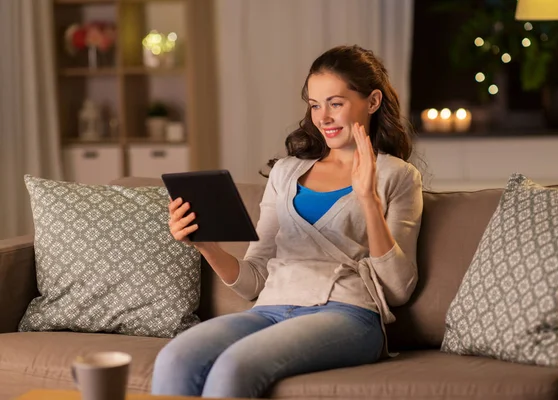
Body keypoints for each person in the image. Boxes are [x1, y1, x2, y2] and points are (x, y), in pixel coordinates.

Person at [151, 44, 423, 398]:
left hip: (347, 313)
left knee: (235, 366)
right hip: (271, 308)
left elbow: (399, 290)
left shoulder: (397, 176)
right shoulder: (285, 172)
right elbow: (253, 281)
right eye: (314, 105)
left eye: (335, 103)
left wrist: (368, 199)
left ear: (372, 102)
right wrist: (203, 241)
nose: (322, 117)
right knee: (176, 356)